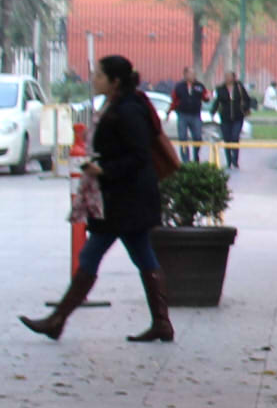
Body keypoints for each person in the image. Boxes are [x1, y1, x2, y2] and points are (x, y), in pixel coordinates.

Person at [22, 55, 172, 343]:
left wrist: (104, 169)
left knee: (92, 254)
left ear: (115, 81)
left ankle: (57, 320)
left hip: (124, 200)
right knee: (143, 256)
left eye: (100, 76)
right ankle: (161, 323)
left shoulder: (128, 109)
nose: (94, 80)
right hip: (124, 198)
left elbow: (139, 155)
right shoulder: (119, 105)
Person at [213, 73, 252, 173]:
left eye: (229, 77)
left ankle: (235, 160)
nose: (227, 78)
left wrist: (246, 108)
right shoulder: (220, 89)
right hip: (225, 118)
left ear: (234, 78)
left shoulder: (239, 87)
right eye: (226, 77)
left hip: (238, 117)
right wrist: (213, 111)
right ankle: (229, 161)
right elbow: (218, 101)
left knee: (235, 137)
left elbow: (247, 99)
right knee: (227, 139)